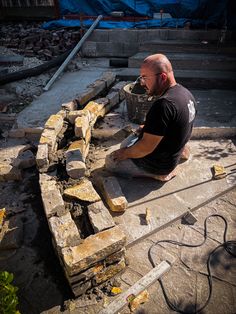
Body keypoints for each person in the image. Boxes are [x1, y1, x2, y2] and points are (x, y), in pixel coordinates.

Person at [105, 53, 196, 181]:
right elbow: (181, 126)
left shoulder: (163, 105)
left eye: (145, 78)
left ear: (163, 77)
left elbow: (145, 147)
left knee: (111, 161)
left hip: (159, 165)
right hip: (173, 150)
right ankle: (181, 152)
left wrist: (124, 153)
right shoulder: (185, 93)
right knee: (133, 138)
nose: (142, 83)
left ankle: (159, 174)